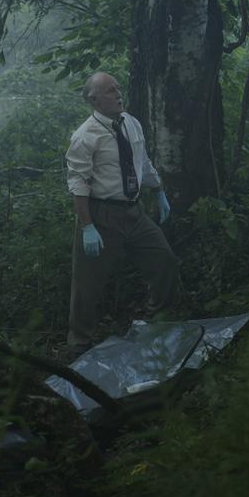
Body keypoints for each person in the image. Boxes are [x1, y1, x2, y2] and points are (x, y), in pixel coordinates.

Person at [65, 72, 178, 353]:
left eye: (118, 88)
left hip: (134, 213)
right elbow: (79, 184)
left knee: (164, 261)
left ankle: (156, 322)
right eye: (109, 90)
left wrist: (159, 190)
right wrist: (88, 226)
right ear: (94, 100)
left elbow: (142, 161)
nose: (118, 94)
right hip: (101, 215)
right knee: (87, 286)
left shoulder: (131, 123)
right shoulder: (84, 136)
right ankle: (79, 344)